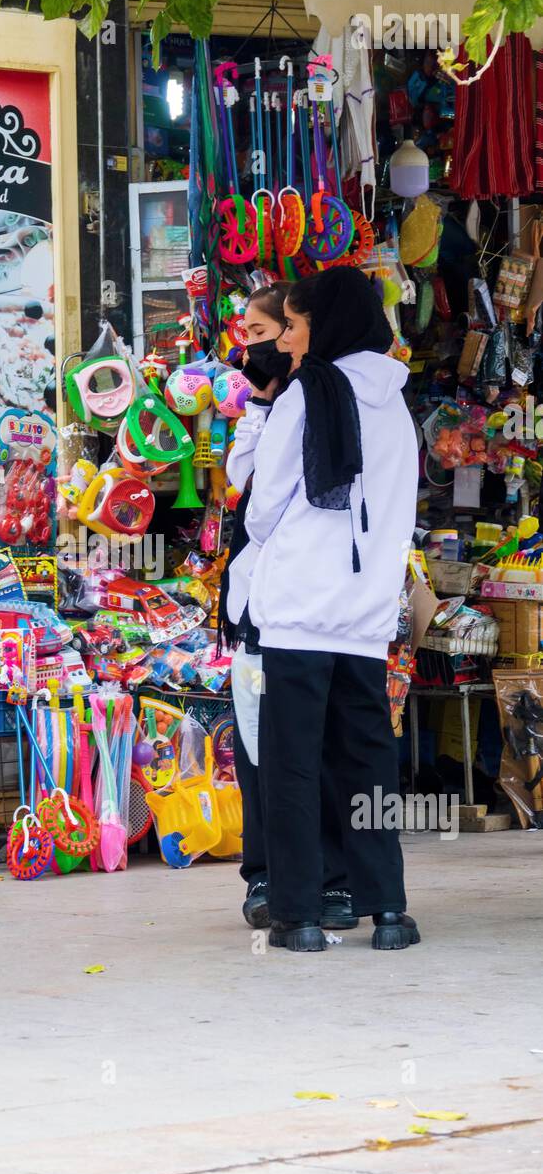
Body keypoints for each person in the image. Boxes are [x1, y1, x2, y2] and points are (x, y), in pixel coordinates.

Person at [245, 266, 420, 952]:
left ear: (323, 323)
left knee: (292, 763)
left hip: (297, 609)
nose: (286, 340)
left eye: (293, 323)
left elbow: (264, 509)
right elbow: (401, 510)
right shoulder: (398, 407)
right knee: (367, 761)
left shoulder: (304, 396)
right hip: (366, 614)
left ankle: (300, 917)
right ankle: (389, 914)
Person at [219, 284, 357, 933]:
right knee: (257, 748)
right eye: (244, 333)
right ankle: (266, 875)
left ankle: (327, 879)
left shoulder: (324, 399)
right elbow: (238, 483)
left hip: (307, 604)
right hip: (255, 605)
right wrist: (258, 408)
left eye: (261, 331)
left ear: (293, 334)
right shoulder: (270, 407)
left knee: (311, 750)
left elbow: (264, 501)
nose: (249, 346)